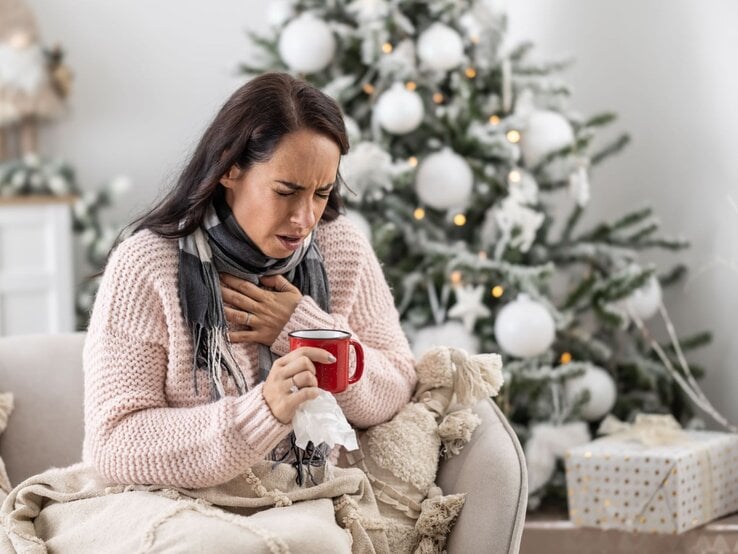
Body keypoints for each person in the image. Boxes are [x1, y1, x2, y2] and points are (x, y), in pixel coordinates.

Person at [82, 71, 417, 491]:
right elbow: (114, 443)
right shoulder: (147, 265)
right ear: (229, 168)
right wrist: (263, 412)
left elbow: (398, 384)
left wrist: (300, 329)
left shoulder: (340, 246)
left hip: (310, 495)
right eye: (285, 191)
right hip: (179, 502)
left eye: (321, 192)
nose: (305, 218)